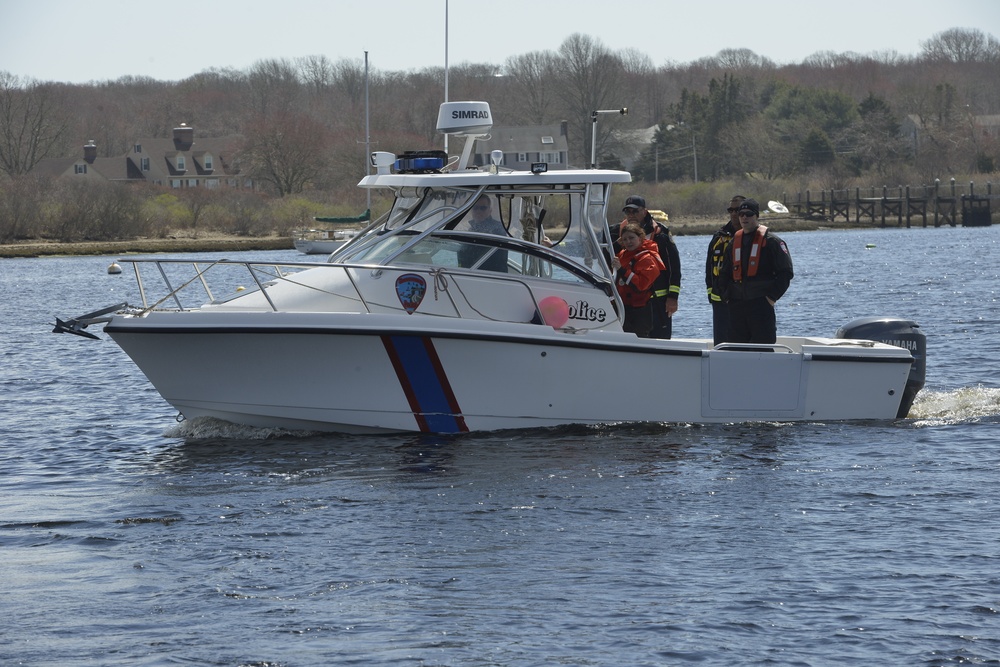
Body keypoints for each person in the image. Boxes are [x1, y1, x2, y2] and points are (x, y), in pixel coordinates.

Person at [717, 198, 794, 344]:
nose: (744, 217)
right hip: (736, 307)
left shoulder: (772, 242)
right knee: (736, 351)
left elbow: (786, 273)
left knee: (762, 350)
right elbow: (724, 274)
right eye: (741, 214)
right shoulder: (733, 243)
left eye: (749, 214)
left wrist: (771, 298)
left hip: (761, 305)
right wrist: (726, 297)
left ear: (756, 216)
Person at [617, 195, 681, 339]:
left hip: (658, 300)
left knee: (660, 339)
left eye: (635, 211)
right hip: (632, 301)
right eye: (628, 212)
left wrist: (673, 297)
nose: (631, 215)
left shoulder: (661, 234)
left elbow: (674, 267)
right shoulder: (619, 232)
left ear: (644, 211)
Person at [611, 222, 664, 337]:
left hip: (639, 312)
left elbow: (641, 285)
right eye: (625, 239)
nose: (628, 242)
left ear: (640, 238)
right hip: (622, 308)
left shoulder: (647, 258)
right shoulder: (621, 255)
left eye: (631, 238)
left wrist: (622, 270)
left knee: (638, 342)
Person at [705, 195, 745, 345]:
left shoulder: (755, 237)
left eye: (738, 210)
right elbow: (709, 269)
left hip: (745, 300)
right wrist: (711, 292)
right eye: (731, 210)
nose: (734, 213)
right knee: (722, 344)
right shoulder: (718, 237)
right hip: (720, 301)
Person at [458, 195, 508, 272]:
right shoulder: (471, 229)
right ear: (471, 210)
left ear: (490, 210)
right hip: (471, 273)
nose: (479, 211)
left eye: (483, 208)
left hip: (490, 276)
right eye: (475, 208)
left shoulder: (498, 229)